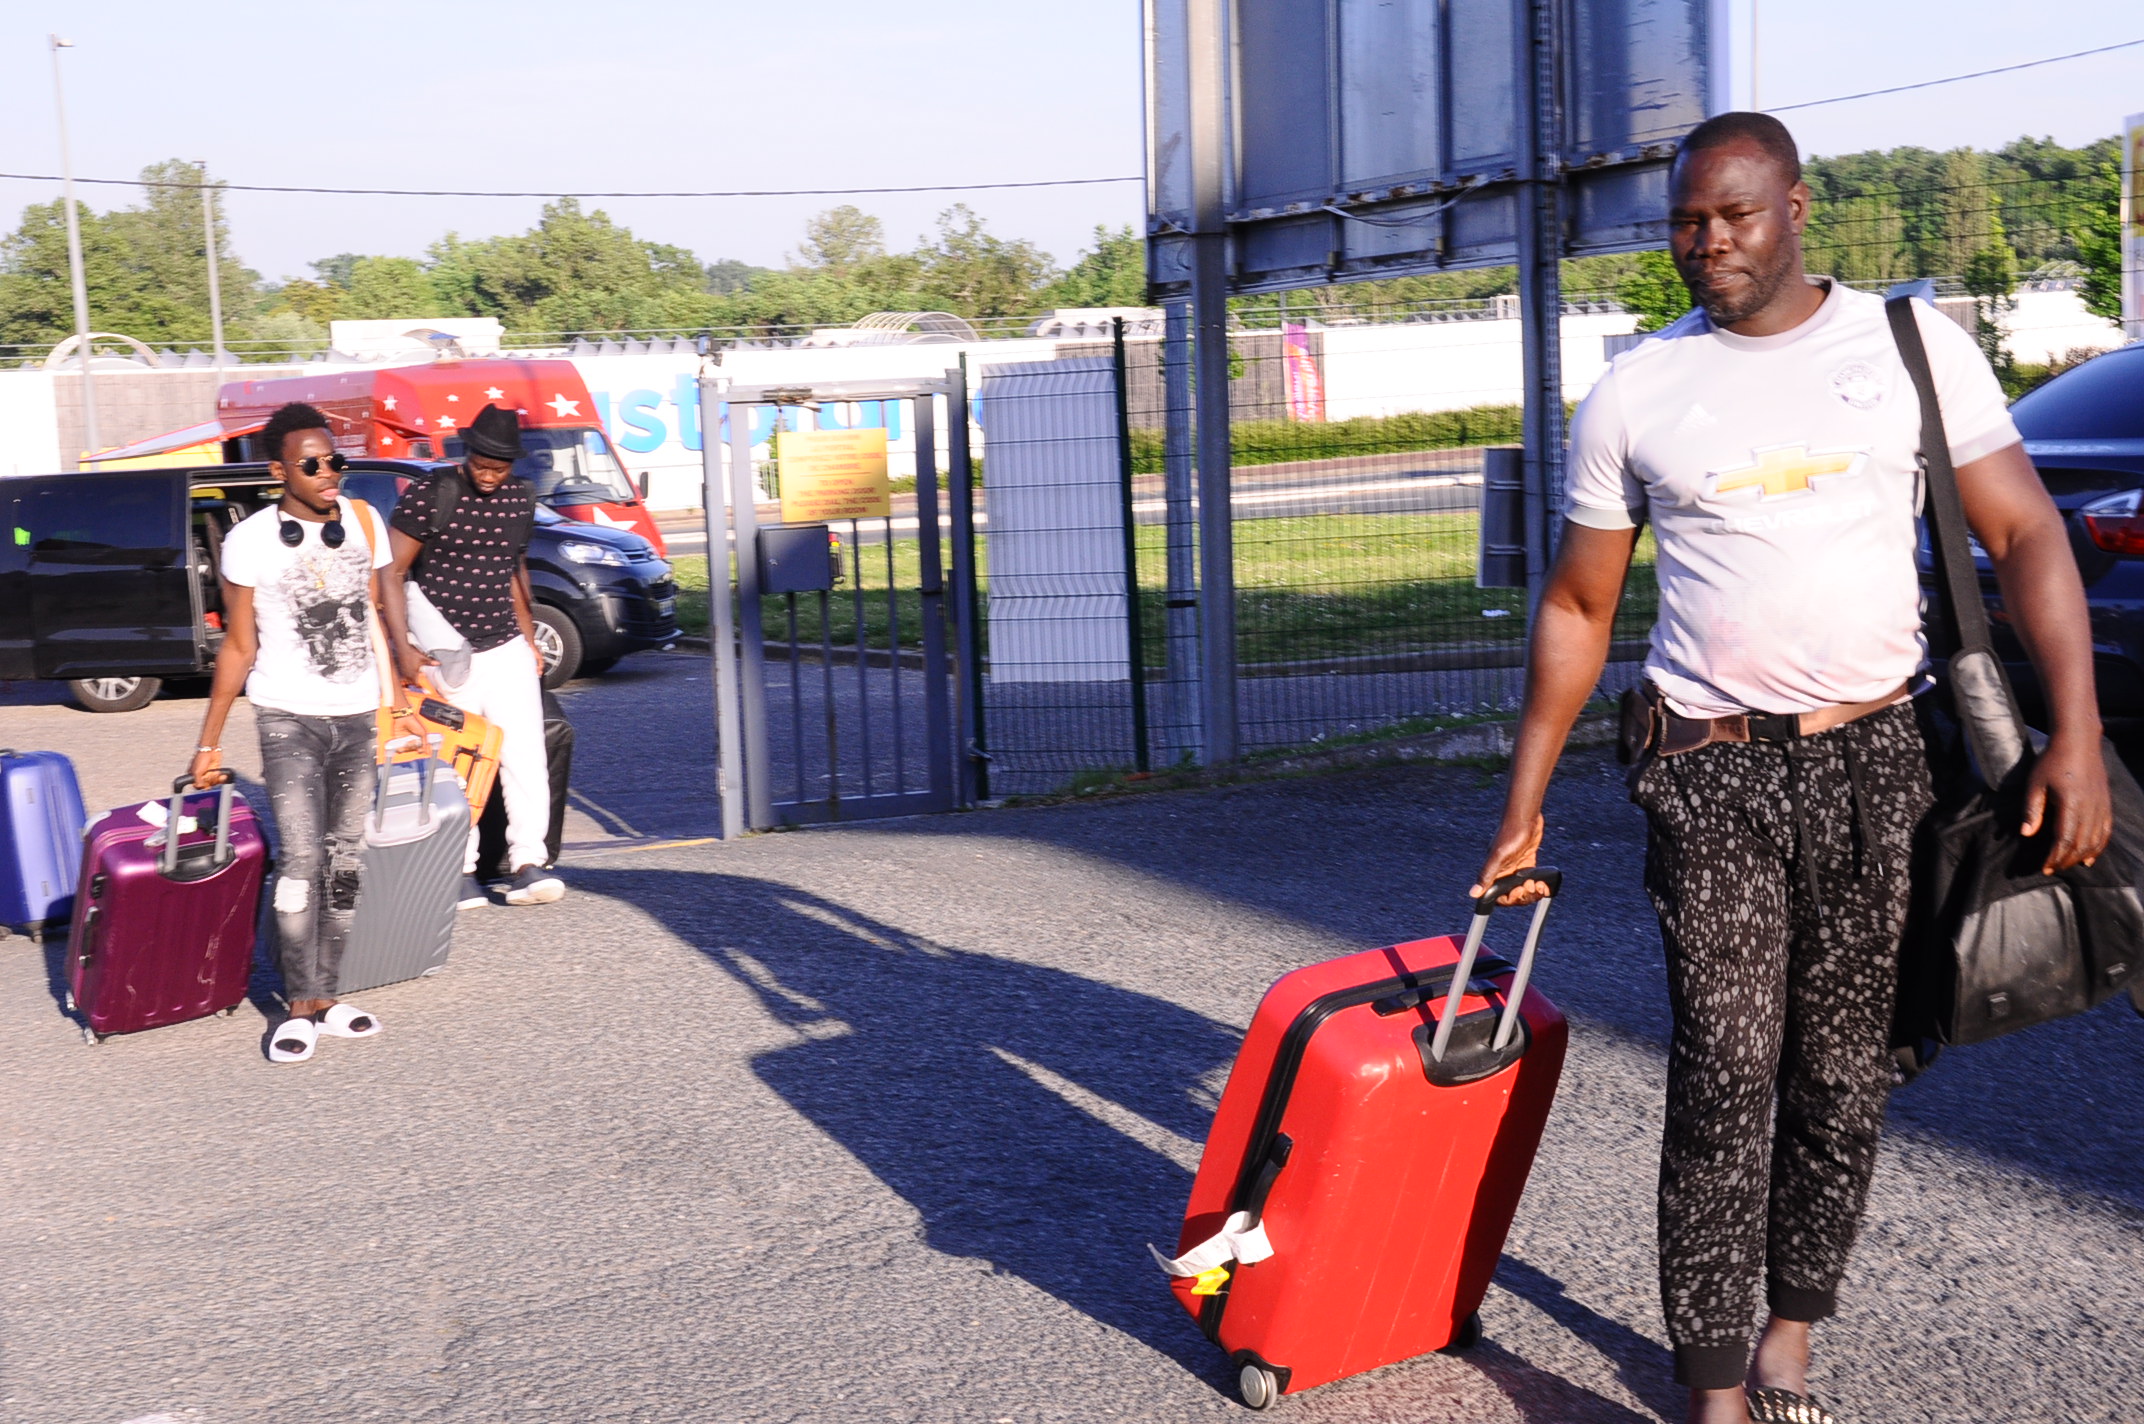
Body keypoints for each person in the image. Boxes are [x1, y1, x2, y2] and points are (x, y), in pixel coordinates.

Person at [1473, 112, 2111, 1424]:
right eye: (1687, 222)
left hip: (1882, 762)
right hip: (1709, 774)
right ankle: (1710, 1390)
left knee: (1845, 1071)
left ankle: (1788, 1346)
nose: (1708, 243)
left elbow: (2029, 533)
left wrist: (2081, 734)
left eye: (1736, 216)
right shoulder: (1639, 392)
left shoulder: (1908, 348)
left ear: (1798, 207)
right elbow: (1580, 609)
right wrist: (1522, 801)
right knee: (1722, 1071)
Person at [190, 402, 416, 1063]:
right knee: (301, 859)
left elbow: (375, 615)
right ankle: (297, 1005)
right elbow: (237, 645)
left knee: (347, 859)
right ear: (279, 469)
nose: (328, 473)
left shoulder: (365, 522)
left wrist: (396, 698)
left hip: (355, 716)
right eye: (312, 464)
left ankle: (328, 992)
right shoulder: (250, 540)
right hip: (287, 717)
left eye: (335, 460)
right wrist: (209, 740)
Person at [379, 402, 564, 909]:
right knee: (458, 762)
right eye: (481, 463)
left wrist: (528, 640)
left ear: (513, 465)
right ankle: (459, 870)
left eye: (498, 467)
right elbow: (392, 573)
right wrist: (405, 652)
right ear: (468, 452)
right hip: (445, 654)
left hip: (504, 645)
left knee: (525, 757)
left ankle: (529, 861)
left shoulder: (520, 500)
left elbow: (514, 570)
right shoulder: (432, 493)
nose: (487, 474)